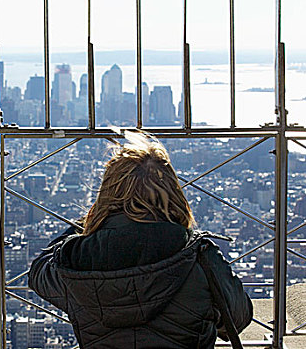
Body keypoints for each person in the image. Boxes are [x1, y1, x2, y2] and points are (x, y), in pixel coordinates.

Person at [28, 132, 253, 349]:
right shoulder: (200, 256)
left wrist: (93, 217)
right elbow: (239, 319)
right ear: (174, 193)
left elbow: (38, 273)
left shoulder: (76, 259)